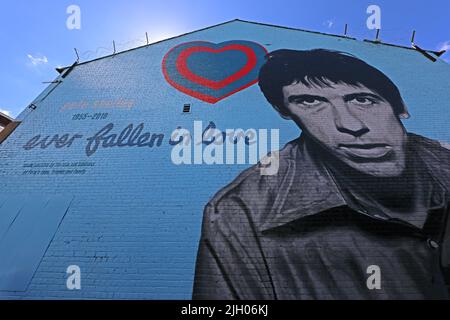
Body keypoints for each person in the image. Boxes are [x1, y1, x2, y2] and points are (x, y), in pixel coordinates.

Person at [192, 49, 450, 300]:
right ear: (286, 112)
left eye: (362, 99)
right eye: (311, 102)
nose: (351, 125)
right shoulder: (241, 210)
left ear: (400, 106)